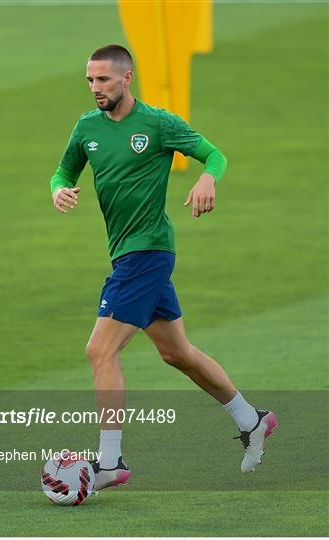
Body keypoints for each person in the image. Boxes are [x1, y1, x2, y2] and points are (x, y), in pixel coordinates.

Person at [50, 44, 277, 491]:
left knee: (100, 350)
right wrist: (58, 191)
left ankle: (110, 462)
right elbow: (63, 171)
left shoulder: (158, 123)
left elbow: (215, 155)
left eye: (104, 80)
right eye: (90, 80)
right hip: (126, 252)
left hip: (147, 251)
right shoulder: (87, 127)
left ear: (127, 77)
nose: (96, 88)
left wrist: (208, 177)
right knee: (177, 353)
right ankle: (253, 420)